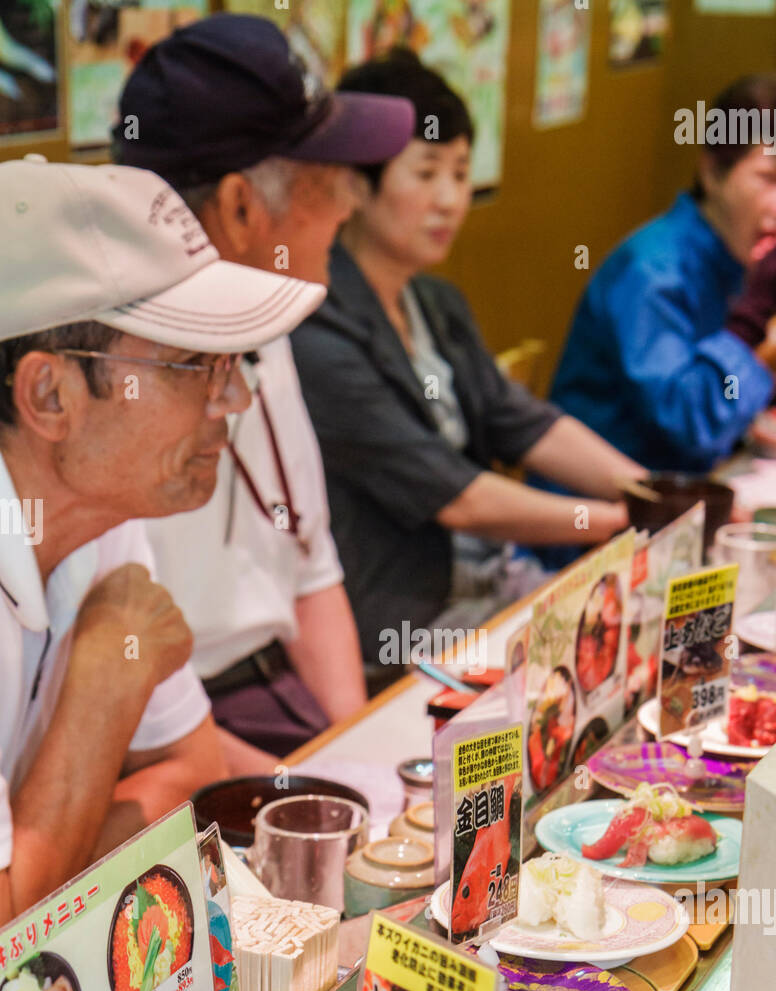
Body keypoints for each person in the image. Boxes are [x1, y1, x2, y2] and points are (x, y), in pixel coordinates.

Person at [0, 157, 323, 925]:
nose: (237, 397)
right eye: (192, 365)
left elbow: (192, 777)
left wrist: (38, 861)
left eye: (233, 364)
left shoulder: (99, 520)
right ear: (50, 395)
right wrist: (102, 691)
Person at [114, 14, 415, 764]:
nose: (351, 204)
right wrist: (314, 791)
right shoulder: (107, 391)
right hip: (168, 748)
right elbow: (129, 718)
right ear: (245, 208)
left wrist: (357, 751)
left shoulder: (265, 317)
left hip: (281, 705)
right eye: (331, 181)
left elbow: (314, 572)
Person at [291, 49, 646, 677]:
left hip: (491, 585)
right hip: (405, 626)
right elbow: (455, 498)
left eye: (460, 172)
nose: (450, 199)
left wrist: (649, 491)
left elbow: (522, 422)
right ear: (355, 184)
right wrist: (626, 520)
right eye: (426, 173)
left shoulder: (434, 301)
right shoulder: (318, 322)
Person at [549, 73, 776, 476]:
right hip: (599, 520)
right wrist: (752, 315)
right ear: (712, 171)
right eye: (770, 178)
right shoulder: (652, 273)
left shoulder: (739, 261)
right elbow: (691, 424)